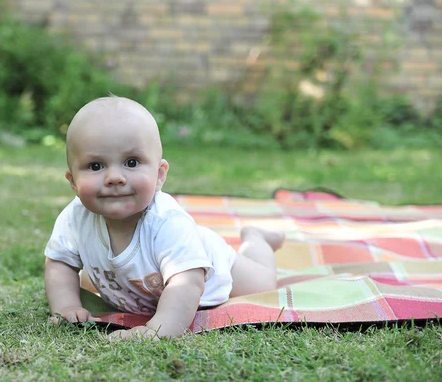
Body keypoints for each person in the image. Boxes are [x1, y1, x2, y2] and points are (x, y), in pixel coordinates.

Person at [44, 96, 284, 339]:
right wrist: (66, 307)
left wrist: (157, 331)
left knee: (263, 283)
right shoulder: (75, 218)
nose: (114, 177)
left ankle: (256, 239)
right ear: (73, 181)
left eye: (131, 162)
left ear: (159, 175)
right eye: (96, 166)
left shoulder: (167, 222)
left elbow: (187, 283)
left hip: (212, 266)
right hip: (144, 283)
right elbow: (60, 263)